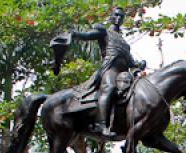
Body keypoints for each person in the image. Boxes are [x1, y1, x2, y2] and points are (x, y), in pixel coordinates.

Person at [50, 7, 146, 139]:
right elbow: (88, 35)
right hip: (110, 69)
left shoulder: (124, 42)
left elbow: (130, 61)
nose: (118, 18)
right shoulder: (104, 32)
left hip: (124, 74)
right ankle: (101, 125)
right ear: (111, 17)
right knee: (110, 88)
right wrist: (75, 34)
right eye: (116, 15)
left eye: (121, 17)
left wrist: (138, 65)